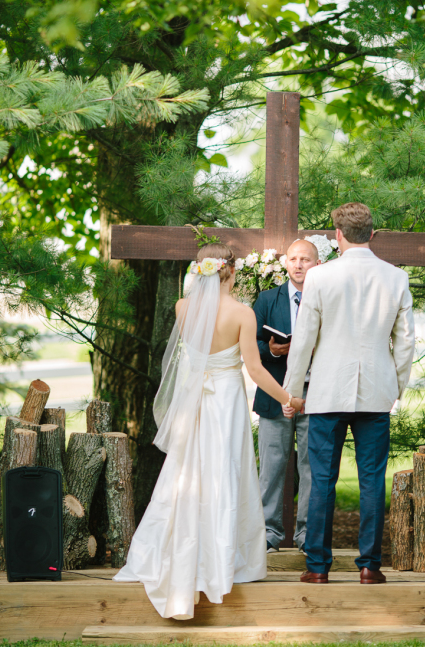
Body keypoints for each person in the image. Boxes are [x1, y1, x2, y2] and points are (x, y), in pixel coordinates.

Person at [114, 243, 304, 620]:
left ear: (199, 273)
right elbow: (255, 369)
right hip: (224, 403)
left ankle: (180, 550)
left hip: (193, 402)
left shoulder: (182, 308)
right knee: (224, 473)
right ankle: (225, 560)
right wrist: (289, 398)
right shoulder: (242, 314)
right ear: (230, 272)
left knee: (186, 474)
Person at [282, 202, 415, 584]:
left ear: (337, 235)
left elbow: (304, 340)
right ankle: (370, 567)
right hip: (376, 392)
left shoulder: (320, 278)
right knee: (372, 478)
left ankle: (318, 568)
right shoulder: (396, 278)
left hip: (326, 391)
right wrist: (397, 386)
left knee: (322, 478)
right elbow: (405, 343)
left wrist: (293, 391)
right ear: (371, 235)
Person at [253, 239, 320, 553]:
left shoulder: (326, 298)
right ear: (285, 264)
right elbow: (250, 346)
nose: (297, 264)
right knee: (271, 467)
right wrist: (271, 348)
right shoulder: (267, 299)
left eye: (304, 259)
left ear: (316, 263)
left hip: (316, 395)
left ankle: (307, 536)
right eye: (292, 259)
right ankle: (269, 533)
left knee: (312, 468)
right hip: (274, 394)